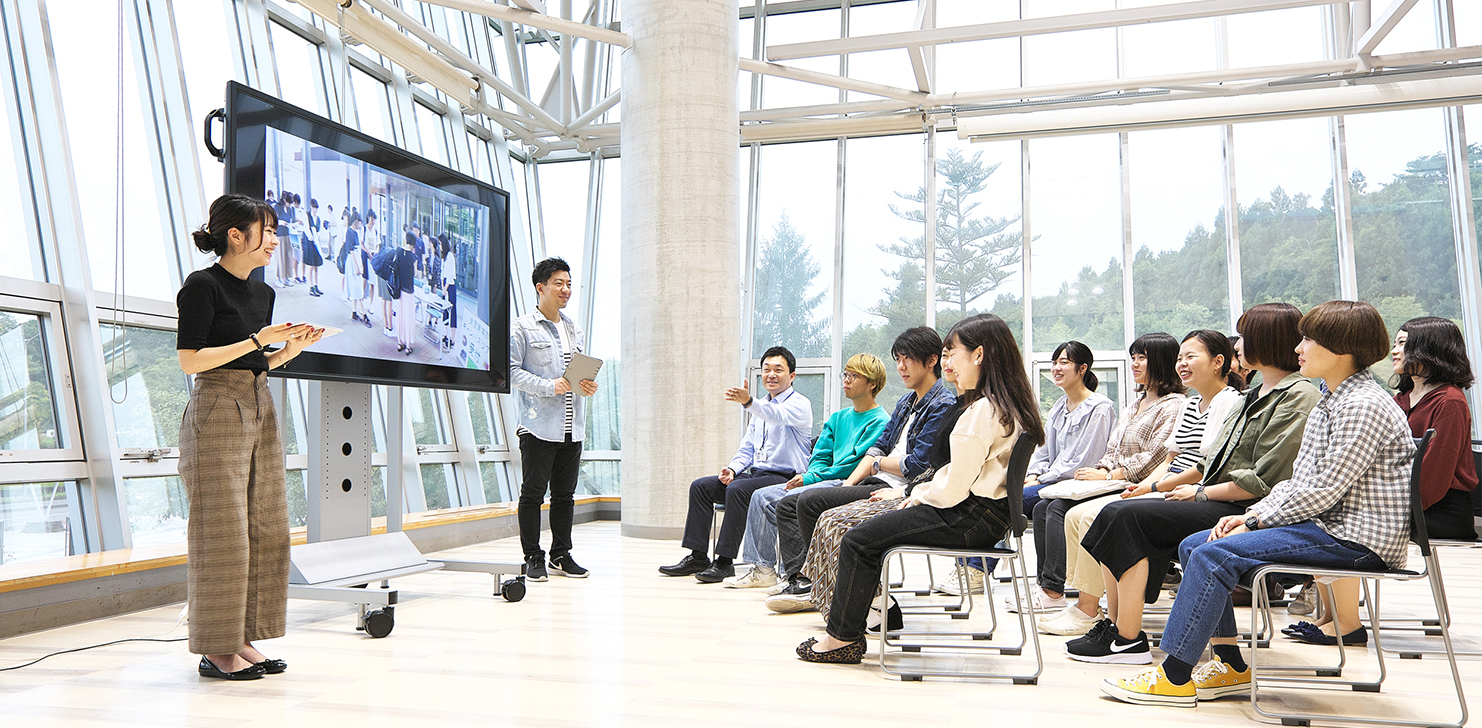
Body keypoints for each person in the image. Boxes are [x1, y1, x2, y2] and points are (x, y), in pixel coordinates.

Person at [1102, 300, 1415, 707]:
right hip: (1329, 526)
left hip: (1355, 539)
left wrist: (1254, 521)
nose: (1299, 347)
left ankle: (1173, 675)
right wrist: (1252, 516)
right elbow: (1299, 481)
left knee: (1212, 555)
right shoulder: (1331, 400)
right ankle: (1230, 663)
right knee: (1196, 544)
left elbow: (1322, 491)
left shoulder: (1362, 405)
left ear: (1341, 349)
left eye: (1309, 339)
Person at [795, 314, 1045, 664]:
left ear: (978, 355)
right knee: (853, 530)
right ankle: (853, 620)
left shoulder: (981, 410)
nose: (948, 363)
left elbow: (954, 486)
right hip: (983, 514)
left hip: (968, 515)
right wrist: (914, 493)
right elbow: (953, 475)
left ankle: (842, 638)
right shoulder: (1001, 404)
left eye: (952, 353)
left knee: (858, 541)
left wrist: (915, 495)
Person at [1071, 313, 1319, 663]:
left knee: (1125, 517)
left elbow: (1263, 481)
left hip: (1246, 507)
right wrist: (1158, 486)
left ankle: (1127, 638)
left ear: (1266, 340)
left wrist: (1198, 492)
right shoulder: (1253, 395)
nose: (1238, 345)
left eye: (1244, 337)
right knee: (1115, 512)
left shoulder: (1296, 396)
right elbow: (1209, 462)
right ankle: (1119, 629)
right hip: (1217, 495)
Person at [175, 194, 323, 680]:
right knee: (222, 532)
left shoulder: (263, 294)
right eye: (269, 231)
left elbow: (256, 362)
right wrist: (261, 339)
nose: (276, 241)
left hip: (258, 402)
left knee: (264, 524)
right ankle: (216, 649)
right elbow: (192, 361)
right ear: (235, 235)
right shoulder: (202, 286)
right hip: (217, 405)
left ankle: (241, 637)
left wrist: (291, 348)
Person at [1287, 315, 1479, 645]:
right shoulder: (1400, 398)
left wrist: (1388, 508)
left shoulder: (1450, 401)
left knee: (1341, 518)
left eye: (1403, 344)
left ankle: (1347, 622)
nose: (1394, 351)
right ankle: (1330, 615)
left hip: (1438, 507)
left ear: (1430, 349)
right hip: (1400, 498)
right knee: (1327, 509)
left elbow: (1434, 475)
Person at [764, 327, 956, 609]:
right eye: (898, 359)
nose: (901, 367)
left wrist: (877, 465)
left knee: (809, 502)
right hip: (879, 481)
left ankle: (825, 588)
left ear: (931, 361)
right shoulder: (906, 401)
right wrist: (847, 486)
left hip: (898, 488)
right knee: (799, 502)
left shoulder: (942, 404)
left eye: (908, 359)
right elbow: (876, 449)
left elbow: (917, 465)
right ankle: (815, 584)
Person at [1036, 332, 1187, 636]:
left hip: (1139, 484)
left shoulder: (1174, 405)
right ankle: (1076, 600)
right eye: (1133, 357)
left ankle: (1086, 606)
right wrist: (1103, 469)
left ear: (1161, 362)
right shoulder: (1136, 404)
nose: (1134, 363)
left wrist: (1110, 475)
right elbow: (1112, 449)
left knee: (1076, 513)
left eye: (1141, 357)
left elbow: (1155, 456)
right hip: (1114, 482)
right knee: (1049, 507)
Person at [725, 353, 891, 588]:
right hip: (822, 479)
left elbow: (855, 465)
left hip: (848, 483)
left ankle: (797, 573)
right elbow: (820, 455)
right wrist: (810, 476)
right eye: (846, 374)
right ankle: (763, 569)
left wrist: (811, 478)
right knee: (761, 496)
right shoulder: (838, 417)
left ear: (872, 383)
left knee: (790, 501)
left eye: (854, 376)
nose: (846, 380)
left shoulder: (880, 420)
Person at [659, 346, 813, 583]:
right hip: (755, 474)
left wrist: (749, 402)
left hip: (785, 478)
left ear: (792, 375)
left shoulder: (799, 404)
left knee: (738, 490)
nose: (771, 374)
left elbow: (776, 415)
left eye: (778, 370)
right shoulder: (759, 406)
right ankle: (698, 555)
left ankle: (724, 561)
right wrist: (732, 469)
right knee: (701, 487)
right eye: (766, 369)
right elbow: (747, 448)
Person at [988, 340, 1116, 610]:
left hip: (1077, 485)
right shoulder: (1059, 405)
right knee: (1040, 505)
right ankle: (1047, 589)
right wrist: (1034, 473)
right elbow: (1045, 451)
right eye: (1055, 362)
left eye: (1064, 362)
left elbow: (1083, 462)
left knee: (1005, 500)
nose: (1057, 368)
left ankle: (979, 567)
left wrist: (1041, 479)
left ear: (1082, 368)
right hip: (1052, 485)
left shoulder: (1100, 407)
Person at [510, 257, 599, 581]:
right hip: (537, 424)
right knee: (533, 493)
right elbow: (510, 372)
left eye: (569, 284)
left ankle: (561, 555)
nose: (566, 290)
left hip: (572, 425)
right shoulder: (522, 327)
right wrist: (549, 386)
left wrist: (586, 385)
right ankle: (533, 556)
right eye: (559, 283)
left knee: (565, 495)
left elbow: (576, 374)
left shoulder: (574, 328)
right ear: (541, 287)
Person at [393, 231, 419, 355]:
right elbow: (415, 274)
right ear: (413, 243)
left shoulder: (398, 252)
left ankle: (400, 342)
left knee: (400, 316)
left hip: (399, 290)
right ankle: (408, 346)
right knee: (408, 316)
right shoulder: (413, 257)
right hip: (408, 290)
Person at [301, 197, 324, 297]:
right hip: (309, 243)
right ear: (311, 207)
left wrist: (318, 235)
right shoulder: (307, 216)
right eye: (314, 208)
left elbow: (320, 230)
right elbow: (305, 229)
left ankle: (316, 285)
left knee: (316, 266)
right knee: (310, 266)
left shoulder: (318, 218)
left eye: (316, 208)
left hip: (316, 244)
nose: (315, 210)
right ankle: (311, 288)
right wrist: (312, 237)